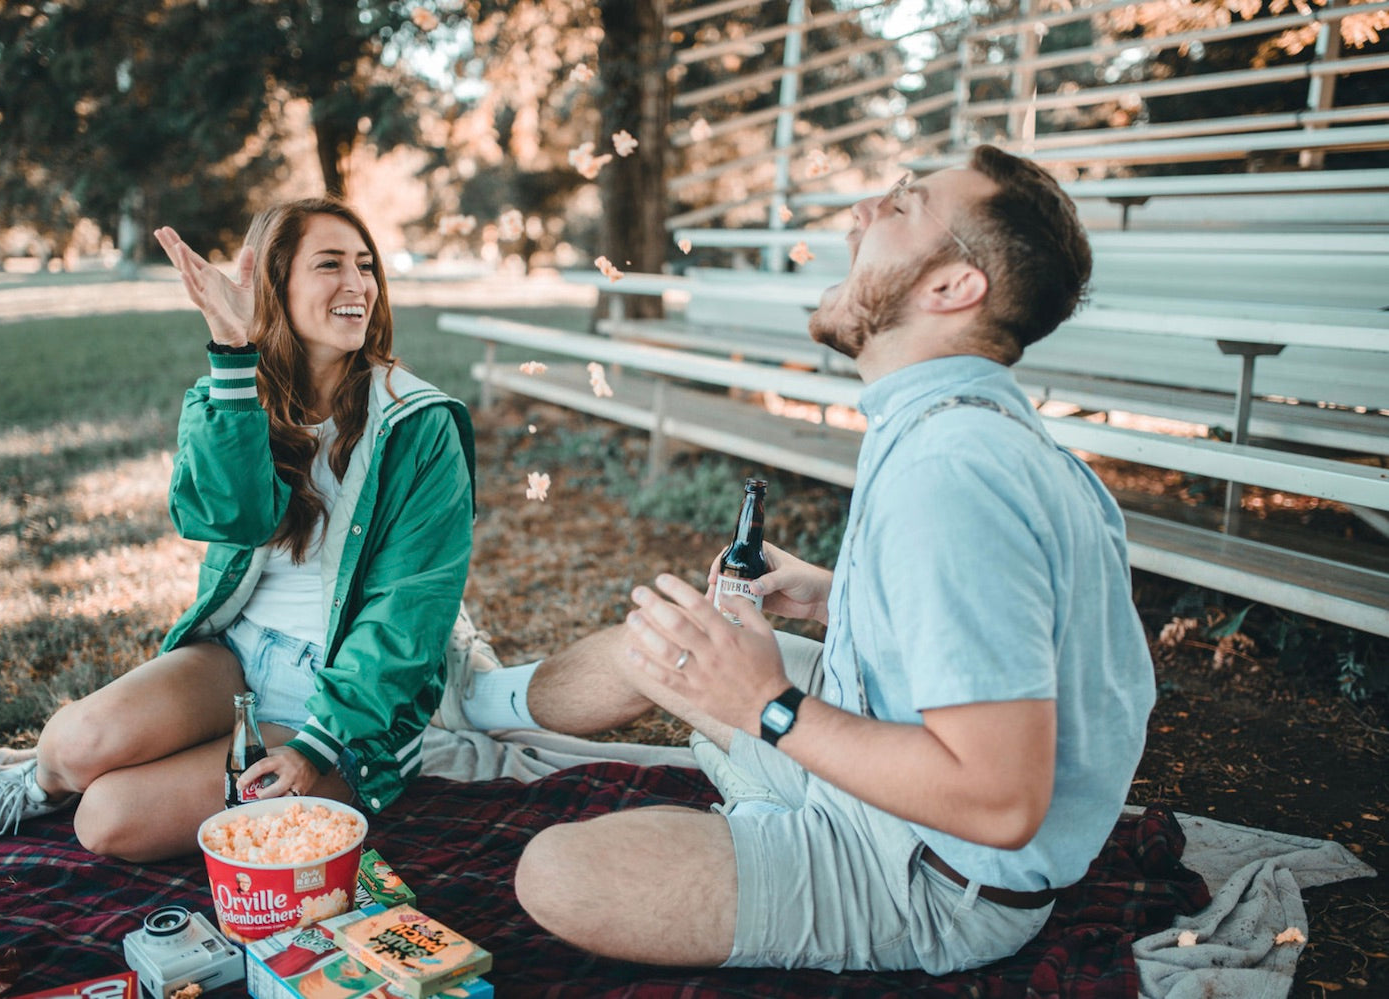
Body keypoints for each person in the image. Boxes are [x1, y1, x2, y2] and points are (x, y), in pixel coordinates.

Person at [437, 146, 1156, 974]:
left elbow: (1000, 800)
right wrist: (837, 595)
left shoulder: (952, 474)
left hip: (930, 878)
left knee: (556, 872)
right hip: (889, 756)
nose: (860, 212)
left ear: (953, 288)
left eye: (902, 206)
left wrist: (767, 705)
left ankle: (775, 811)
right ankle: (473, 700)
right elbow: (1015, 633)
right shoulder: (966, 432)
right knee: (673, 642)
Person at [0, 198, 476, 861]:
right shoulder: (234, 389)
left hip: (346, 707)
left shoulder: (421, 424)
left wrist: (317, 744)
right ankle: (35, 782)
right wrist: (234, 356)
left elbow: (408, 612)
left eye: (365, 266)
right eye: (329, 264)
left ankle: (290, 767)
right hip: (237, 656)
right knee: (69, 745)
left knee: (107, 819)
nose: (357, 285)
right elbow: (223, 518)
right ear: (276, 283)